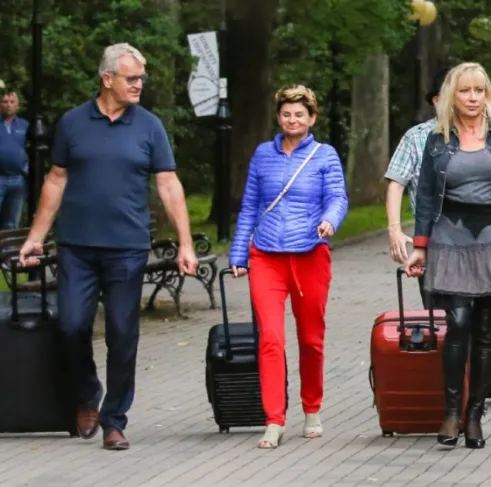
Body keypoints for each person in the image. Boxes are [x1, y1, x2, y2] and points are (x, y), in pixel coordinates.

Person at [19, 43, 199, 451]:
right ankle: (88, 395)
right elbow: (56, 179)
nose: (139, 85)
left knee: (122, 334)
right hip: (77, 247)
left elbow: (168, 184)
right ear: (107, 79)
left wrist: (185, 242)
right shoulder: (72, 123)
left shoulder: (149, 126)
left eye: (141, 78)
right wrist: (35, 237)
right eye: (131, 78)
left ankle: (114, 420)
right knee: (70, 326)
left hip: (127, 248)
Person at [404, 62, 491, 450]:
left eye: (479, 91)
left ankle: (476, 416)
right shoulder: (437, 139)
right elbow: (427, 195)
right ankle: (452, 411)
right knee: (458, 322)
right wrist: (420, 245)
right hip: (450, 234)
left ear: (488, 94)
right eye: (465, 91)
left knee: (486, 330)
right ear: (452, 95)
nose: (473, 98)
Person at [229, 85, 348, 449]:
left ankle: (312, 408)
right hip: (265, 254)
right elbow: (250, 205)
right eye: (286, 114)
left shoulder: (324, 155)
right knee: (270, 339)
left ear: (311, 118)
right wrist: (238, 254)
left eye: (300, 114)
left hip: (310, 253)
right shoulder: (263, 154)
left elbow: (337, 197)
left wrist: (330, 220)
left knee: (310, 339)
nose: (292, 120)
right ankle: (274, 419)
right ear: (278, 117)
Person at [385, 66, 452, 305]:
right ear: (436, 100)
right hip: (431, 237)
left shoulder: (485, 134)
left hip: (475, 239)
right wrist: (395, 229)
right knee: (438, 314)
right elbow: (396, 183)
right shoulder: (416, 137)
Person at [0, 89, 28, 229]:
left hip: (18, 179)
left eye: (12, 102)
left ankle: (8, 250)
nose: (9, 105)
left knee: (11, 222)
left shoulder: (25, 125)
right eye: (5, 101)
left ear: (17, 105)